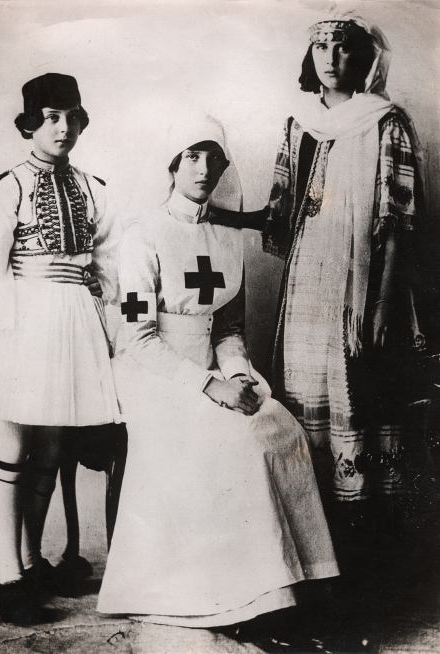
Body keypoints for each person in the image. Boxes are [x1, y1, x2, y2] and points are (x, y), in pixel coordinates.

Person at [97, 112, 339, 628]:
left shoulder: (228, 239)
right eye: (191, 156)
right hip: (154, 374)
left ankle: (295, 581)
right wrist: (208, 386)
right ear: (172, 163)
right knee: (232, 440)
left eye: (213, 157)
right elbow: (137, 339)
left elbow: (229, 329)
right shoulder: (142, 237)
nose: (203, 168)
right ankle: (240, 596)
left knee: (279, 426)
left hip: (214, 370)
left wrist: (239, 377)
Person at [211, 15, 436, 559]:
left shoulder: (387, 124)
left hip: (363, 287)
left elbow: (398, 225)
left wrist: (380, 307)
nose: (330, 58)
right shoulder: (301, 125)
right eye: (319, 47)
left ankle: (368, 546)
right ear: (308, 57)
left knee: (361, 395)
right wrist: (211, 214)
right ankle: (315, 543)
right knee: (306, 397)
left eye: (342, 48)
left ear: (362, 58)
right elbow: (280, 213)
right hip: (308, 284)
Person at [0, 73, 123, 625]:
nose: (62, 127)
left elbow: (116, 264)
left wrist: (121, 328)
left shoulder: (95, 188)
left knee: (51, 450)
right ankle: (7, 578)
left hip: (76, 323)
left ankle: (30, 560)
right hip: (23, 321)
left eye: (70, 115)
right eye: (50, 117)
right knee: (14, 444)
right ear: (30, 124)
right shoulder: (12, 187)